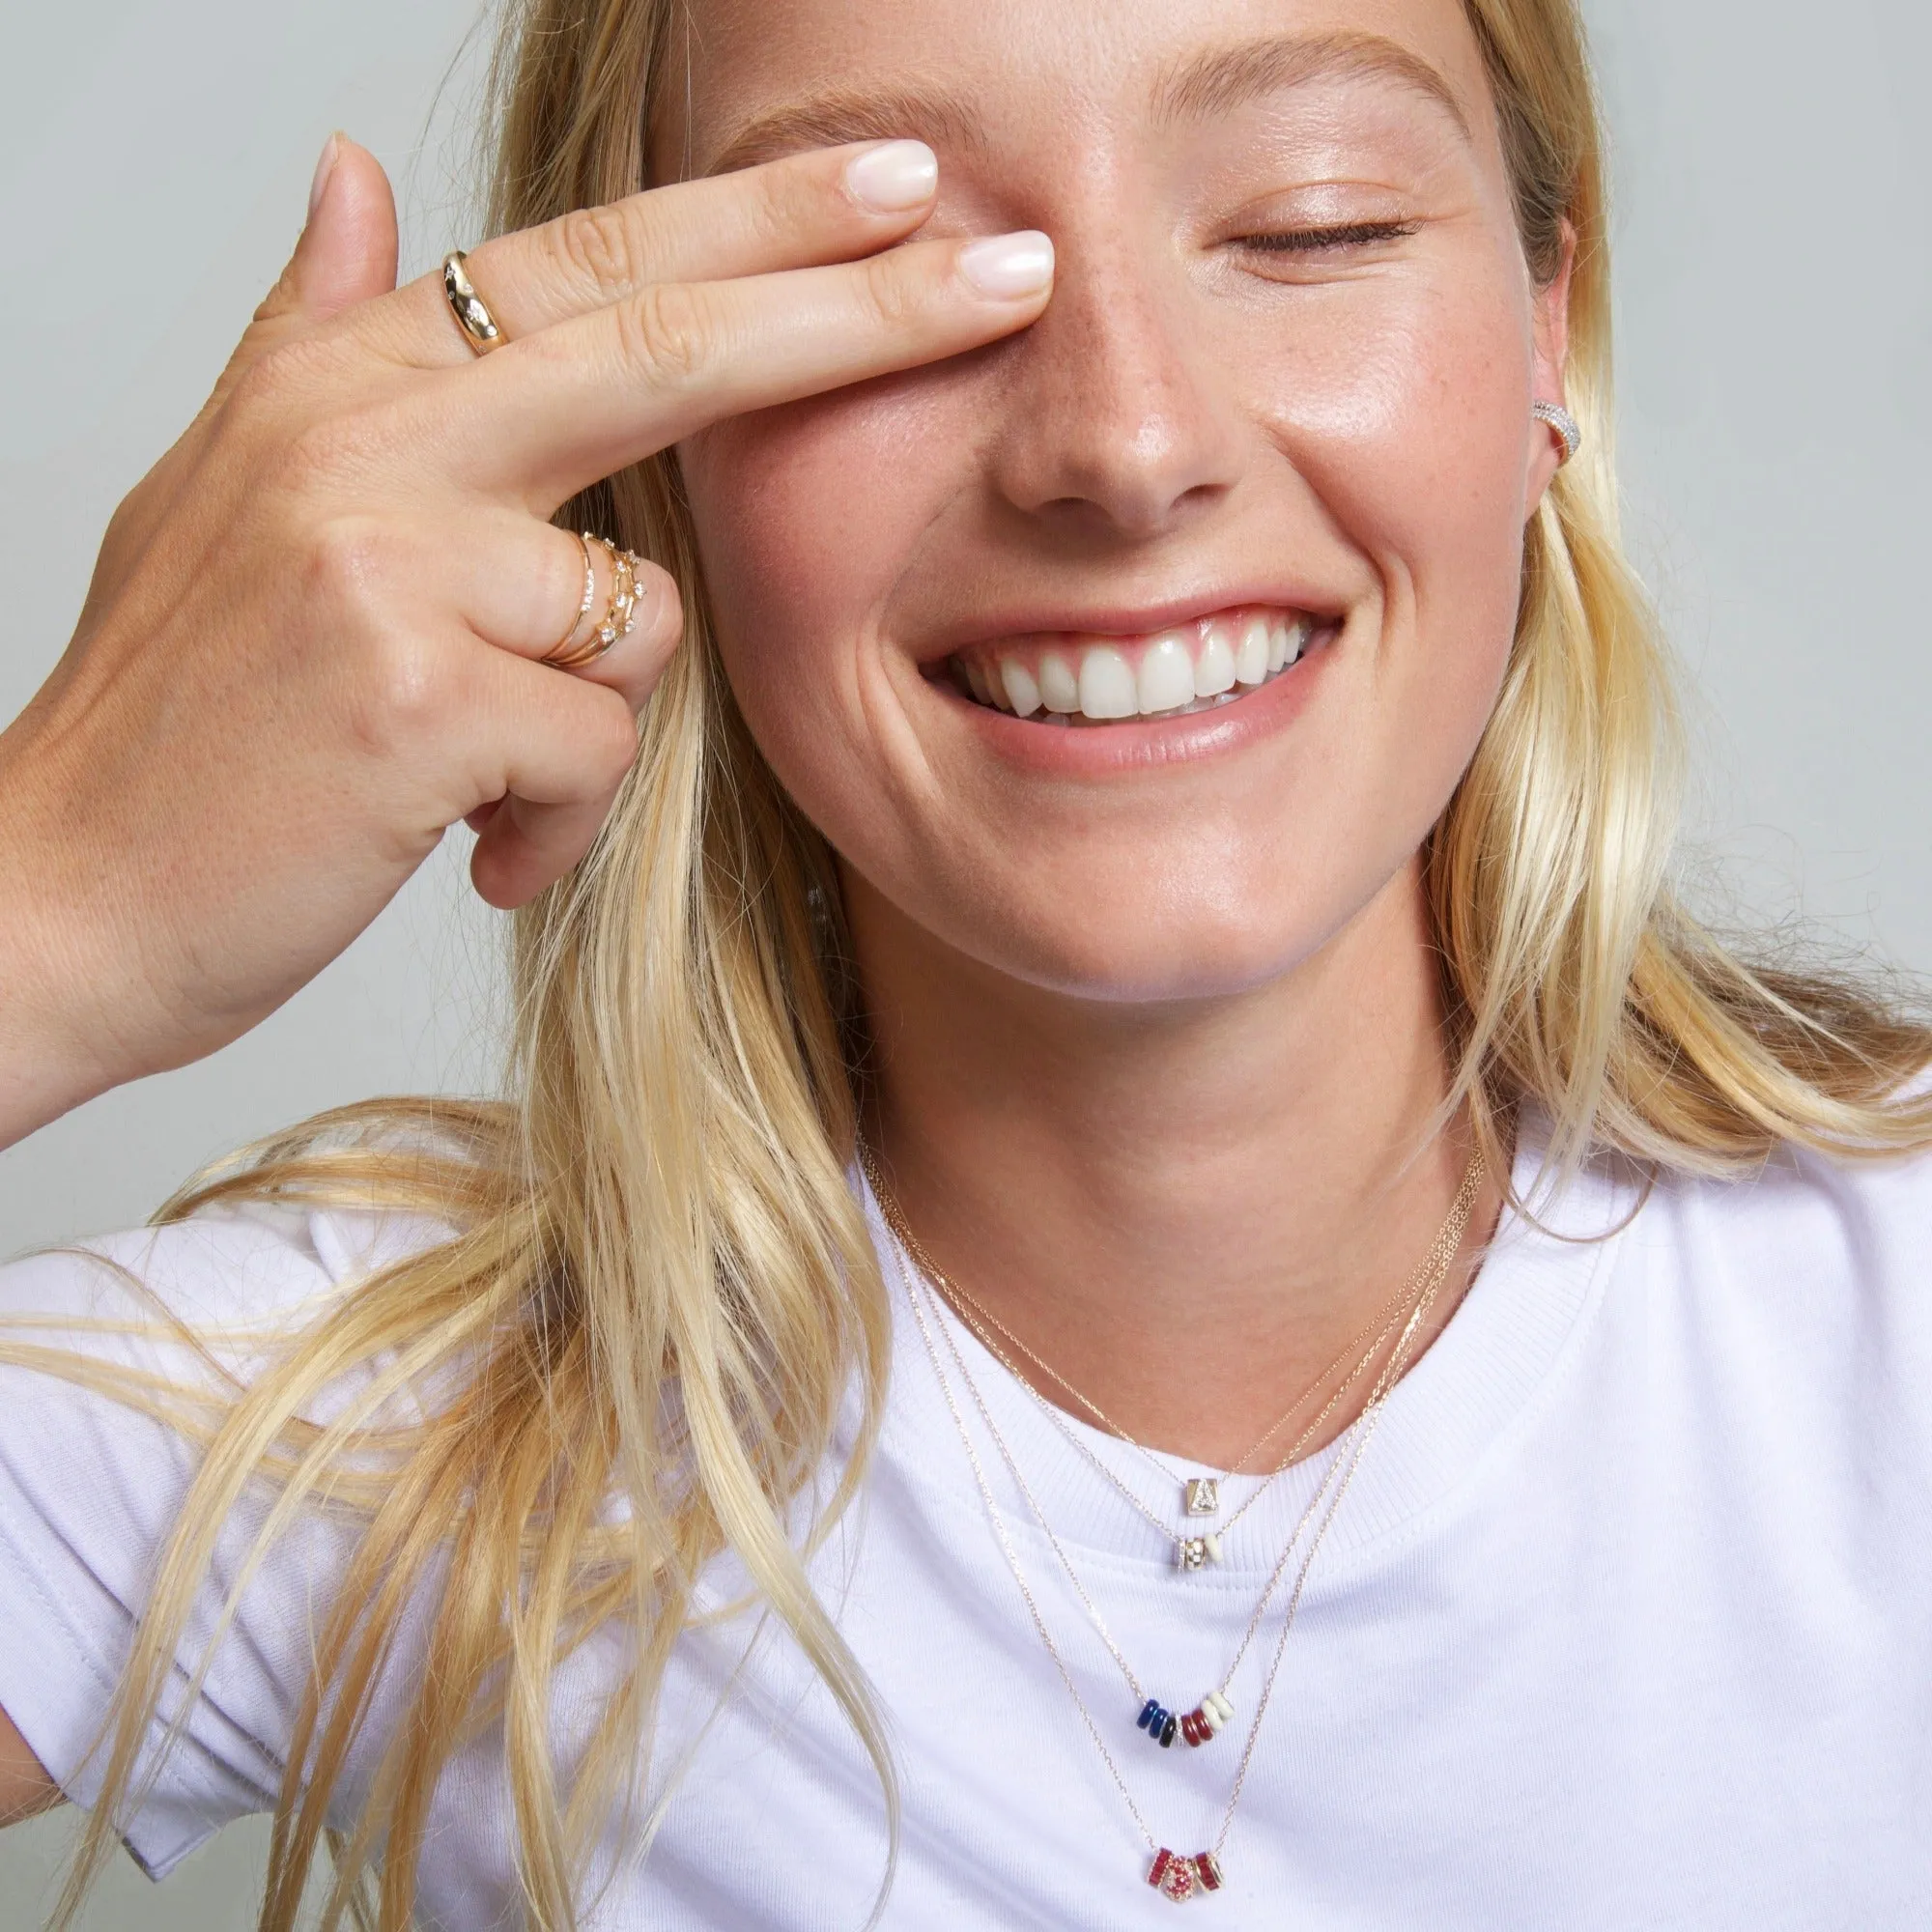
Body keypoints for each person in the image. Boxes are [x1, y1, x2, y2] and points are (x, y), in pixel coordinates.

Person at [2, 0, 1929, 1924]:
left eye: (1310, 222)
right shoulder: (368, 1430)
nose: (1122, 440)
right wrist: (59, 901)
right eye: (885, 270)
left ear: (1543, 332)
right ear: (643, 435)